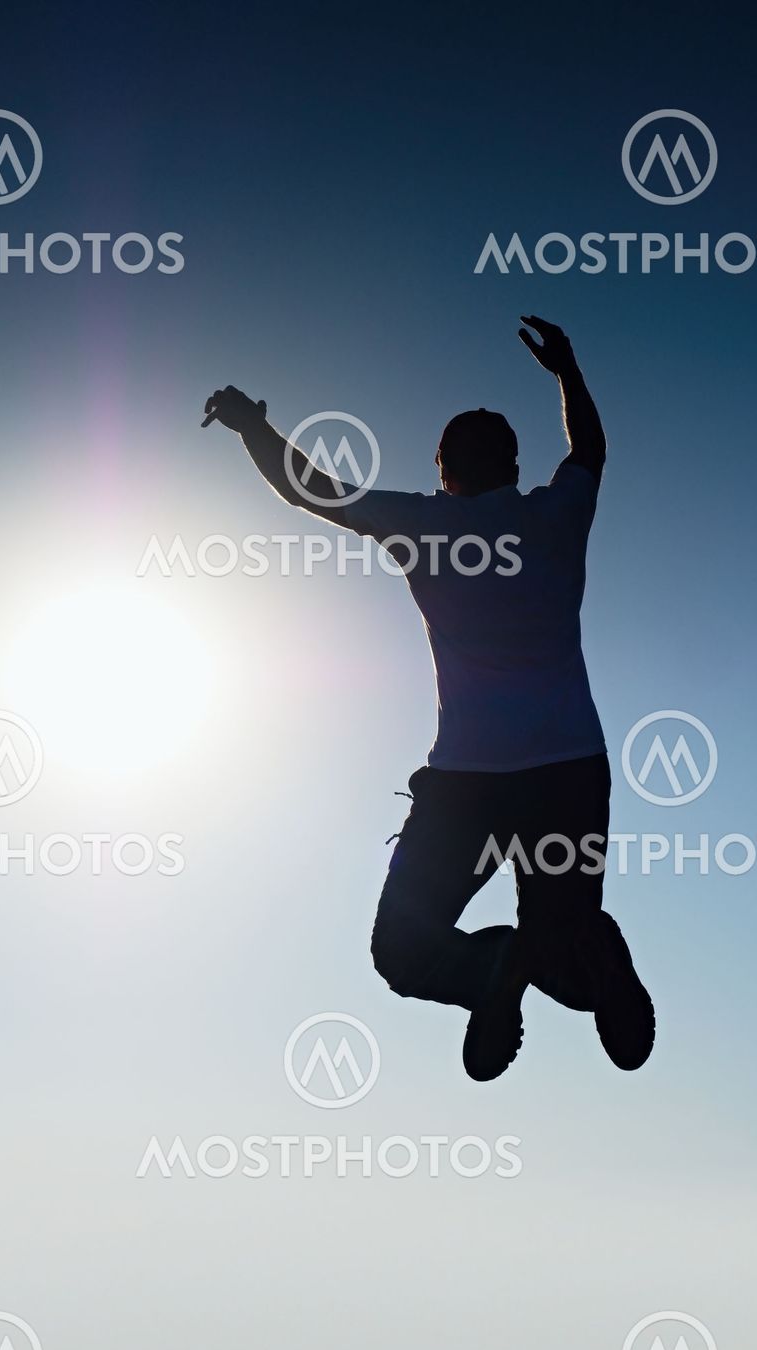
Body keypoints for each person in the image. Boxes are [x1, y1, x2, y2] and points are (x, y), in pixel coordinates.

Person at [202, 316, 655, 1081]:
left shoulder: (421, 522)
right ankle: (568, 953)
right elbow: (589, 452)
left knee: (405, 952)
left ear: (443, 468)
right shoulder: (554, 515)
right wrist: (565, 371)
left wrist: (253, 423)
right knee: (559, 943)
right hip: (567, 778)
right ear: (511, 466)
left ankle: (508, 967)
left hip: (464, 791)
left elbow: (307, 489)